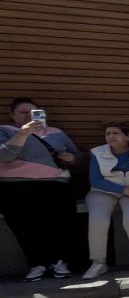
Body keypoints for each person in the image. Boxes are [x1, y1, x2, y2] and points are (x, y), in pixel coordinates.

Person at [0, 97, 80, 281]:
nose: (28, 116)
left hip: (54, 185)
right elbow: (4, 156)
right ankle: (37, 264)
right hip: (15, 187)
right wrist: (23, 134)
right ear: (12, 115)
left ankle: (59, 262)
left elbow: (77, 156)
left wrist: (71, 158)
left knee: (59, 225)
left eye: (33, 113)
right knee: (25, 227)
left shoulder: (56, 133)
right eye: (23, 112)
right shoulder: (5, 130)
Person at [84, 122, 129, 279]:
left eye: (115, 133)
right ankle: (98, 263)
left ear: (127, 136)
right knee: (98, 220)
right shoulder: (97, 152)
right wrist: (122, 190)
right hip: (102, 192)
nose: (110, 136)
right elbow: (95, 180)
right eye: (108, 133)